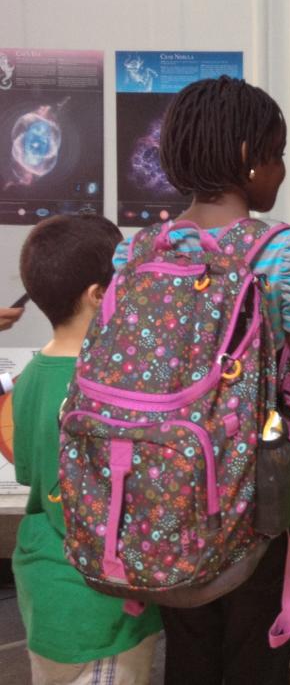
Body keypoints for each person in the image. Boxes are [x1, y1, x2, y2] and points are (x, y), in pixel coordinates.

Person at [112, 76, 290, 685]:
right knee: (256, 648)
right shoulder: (285, 252)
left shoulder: (136, 252)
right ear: (252, 160)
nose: (280, 171)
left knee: (190, 646)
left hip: (158, 487)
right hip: (256, 493)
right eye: (276, 155)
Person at [13, 214, 163, 684]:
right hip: (100, 606)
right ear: (99, 295)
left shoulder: (28, 378)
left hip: (44, 587)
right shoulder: (110, 385)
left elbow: (31, 474)